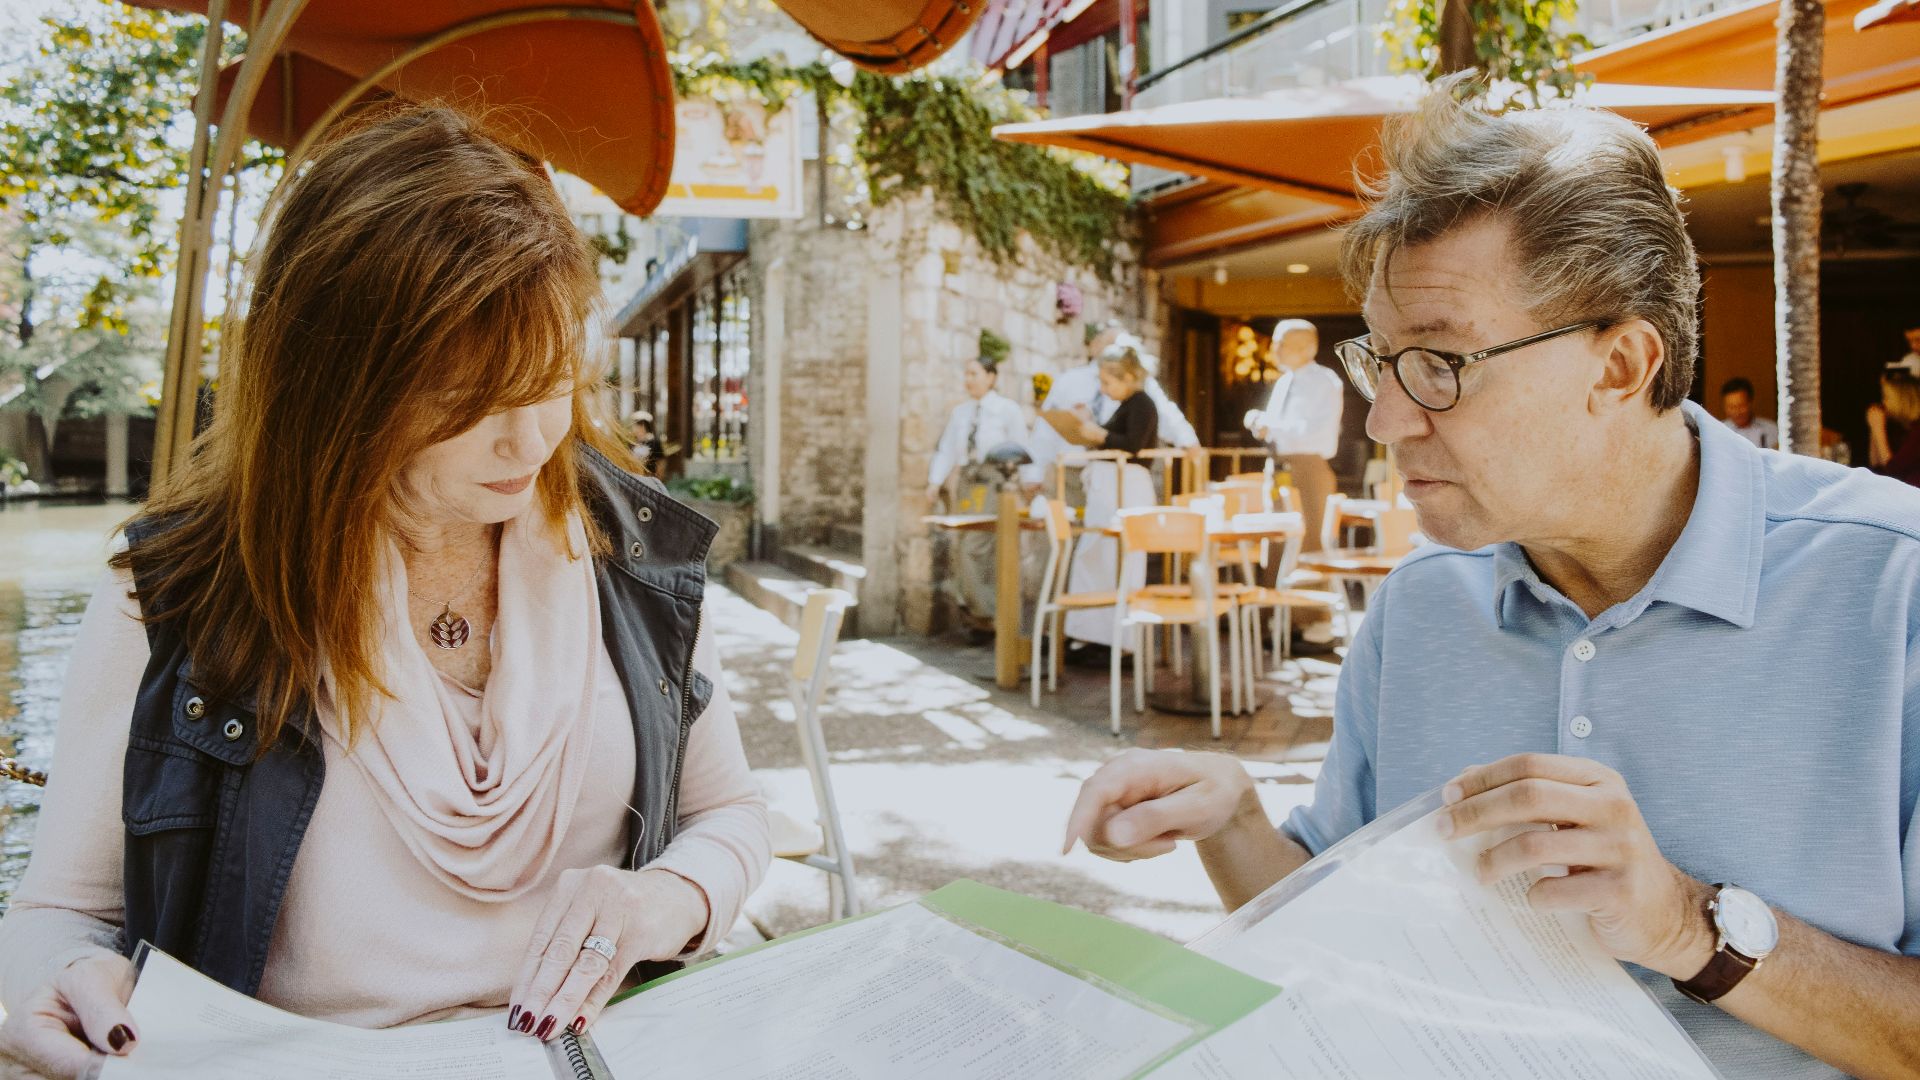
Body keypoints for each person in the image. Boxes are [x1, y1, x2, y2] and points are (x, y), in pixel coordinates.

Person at [1063, 85, 1920, 1078]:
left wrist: (1690, 929)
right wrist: (1235, 822)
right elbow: (1333, 924)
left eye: (1436, 361)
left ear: (1620, 366)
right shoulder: (1423, 602)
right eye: (1378, 361)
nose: (1382, 420)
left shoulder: (1891, 587)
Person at [0, 107, 771, 1079]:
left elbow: (731, 813)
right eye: (465, 400)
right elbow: (55, 916)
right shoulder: (178, 595)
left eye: (547, 380)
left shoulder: (636, 552)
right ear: (334, 384)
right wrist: (64, 978)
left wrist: (666, 900)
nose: (528, 441)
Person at [1055, 343, 1160, 654]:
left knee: (1117, 559)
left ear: (1128, 377)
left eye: (1107, 382)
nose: (1103, 389)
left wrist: (1097, 434)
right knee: (1097, 557)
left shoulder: (1142, 404)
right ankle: (1092, 634)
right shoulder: (1126, 405)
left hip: (1124, 487)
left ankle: (1118, 639)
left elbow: (1132, 445)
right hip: (1109, 487)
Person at [926, 345, 1029, 620]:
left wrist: (1029, 483)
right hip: (968, 483)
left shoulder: (1007, 410)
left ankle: (988, 612)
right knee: (962, 544)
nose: (968, 379)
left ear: (991, 377)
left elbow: (1022, 447)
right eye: (966, 374)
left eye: (974, 373)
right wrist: (934, 482)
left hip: (994, 481)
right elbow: (947, 448)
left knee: (979, 545)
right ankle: (975, 612)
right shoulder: (961, 413)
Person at [1245, 319, 1343, 553]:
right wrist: (1259, 422)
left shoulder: (1323, 381)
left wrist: (1270, 426)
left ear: (1307, 348)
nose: (1274, 350)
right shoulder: (1284, 381)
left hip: (1307, 468)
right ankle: (1275, 589)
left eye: (1281, 344)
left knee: (1307, 542)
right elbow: (1276, 427)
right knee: (1276, 540)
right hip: (1279, 467)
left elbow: (1315, 433)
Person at [1870, 363, 1920, 488]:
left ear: (1900, 400)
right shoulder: (1904, 429)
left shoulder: (1918, 432)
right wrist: (1874, 429)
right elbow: (1877, 467)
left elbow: (1894, 472)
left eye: (1887, 397)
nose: (1884, 403)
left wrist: (1878, 429)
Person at [1718, 377, 1779, 449]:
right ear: (1724, 407)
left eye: (1741, 406)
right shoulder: (1719, 430)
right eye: (1731, 407)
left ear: (1751, 403)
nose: (1737, 412)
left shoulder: (1771, 429)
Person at [628, 409, 664, 475]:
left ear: (642, 426)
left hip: (650, 479)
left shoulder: (654, 443)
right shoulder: (632, 443)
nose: (633, 428)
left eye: (635, 425)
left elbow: (660, 463)